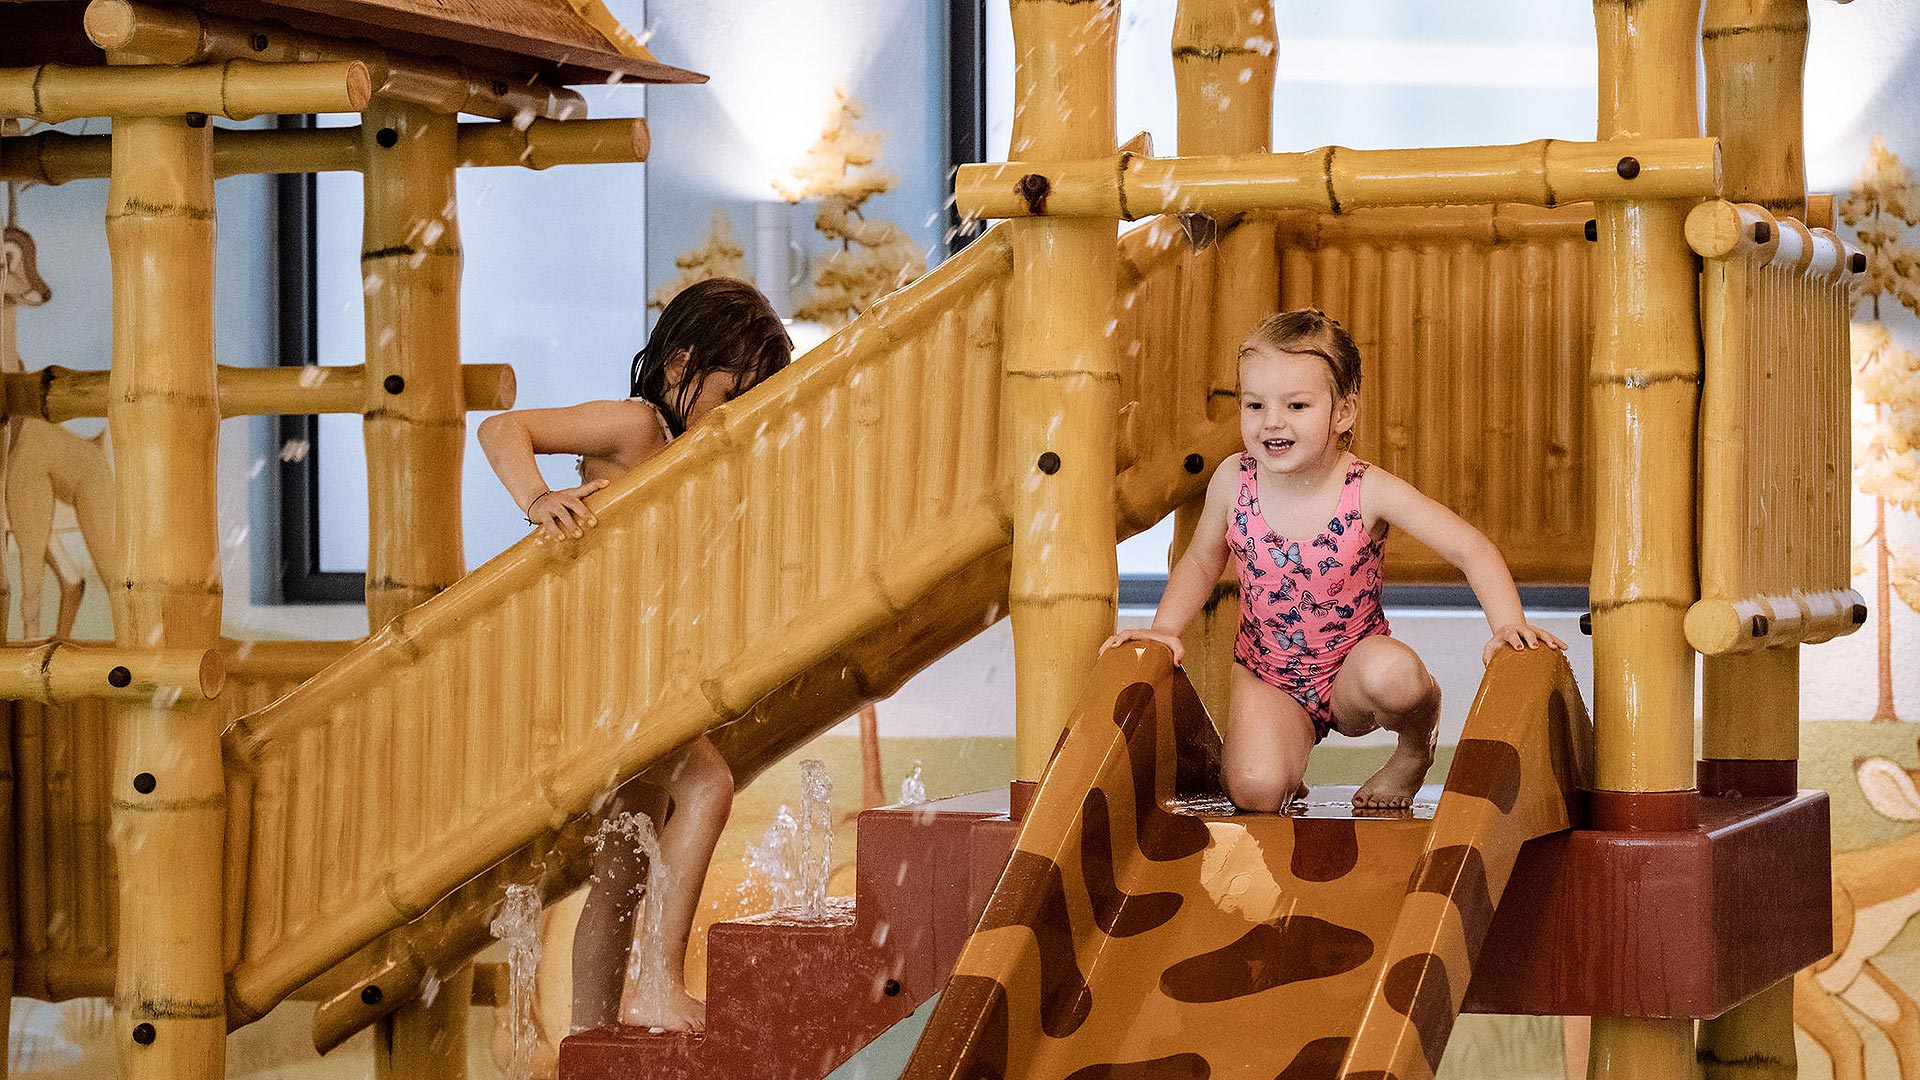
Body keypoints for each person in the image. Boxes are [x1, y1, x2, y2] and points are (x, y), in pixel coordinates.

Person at [478, 277, 793, 1032]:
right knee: (709, 783)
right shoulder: (635, 426)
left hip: (634, 663)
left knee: (623, 865)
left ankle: (589, 1040)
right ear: (680, 365)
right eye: (732, 392)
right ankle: (656, 982)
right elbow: (501, 428)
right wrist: (537, 499)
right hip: (595, 660)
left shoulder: (692, 453)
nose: (739, 414)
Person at [1103, 308, 1564, 812]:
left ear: (1342, 413)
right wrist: (1166, 628)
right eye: (1254, 404)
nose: (1271, 421)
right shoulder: (1235, 480)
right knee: (1254, 790)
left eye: (1296, 405)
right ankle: (1283, 762)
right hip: (1267, 674)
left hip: (1353, 671)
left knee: (1398, 677)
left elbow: (1470, 547)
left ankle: (1416, 746)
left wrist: (1507, 624)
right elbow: (1199, 562)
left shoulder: (1366, 490)